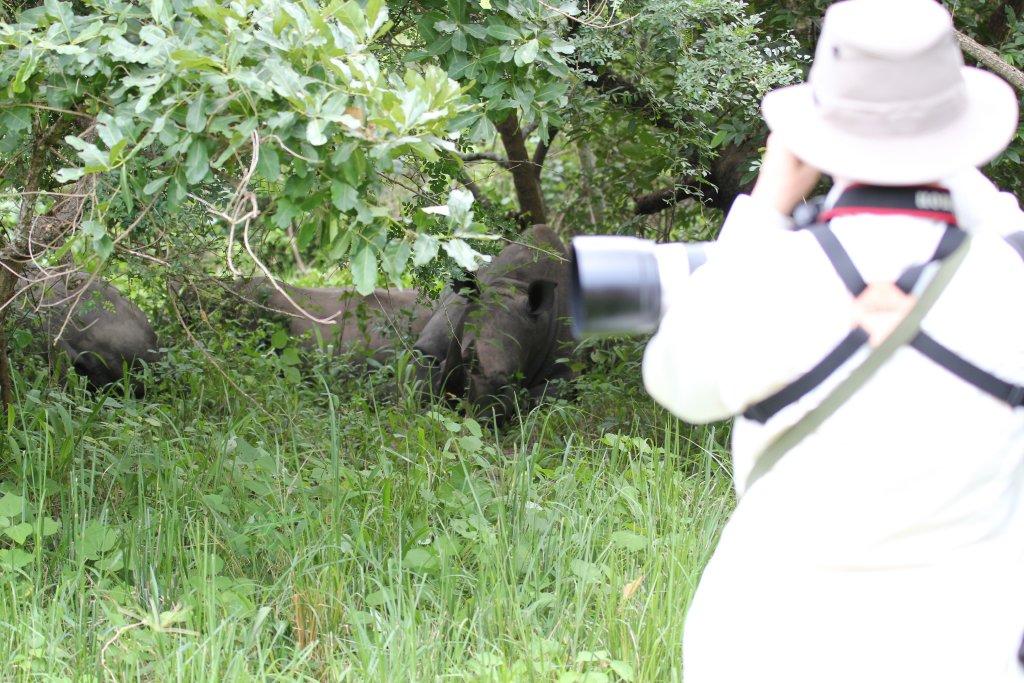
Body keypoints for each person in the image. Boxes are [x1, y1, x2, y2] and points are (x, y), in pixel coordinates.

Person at [641, 0, 1024, 681]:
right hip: (960, 655)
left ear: (814, 141)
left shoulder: (765, 277)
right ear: (961, 138)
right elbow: (1000, 230)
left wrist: (764, 206)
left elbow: (678, 382)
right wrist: (962, 175)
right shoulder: (1008, 282)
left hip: (769, 651)